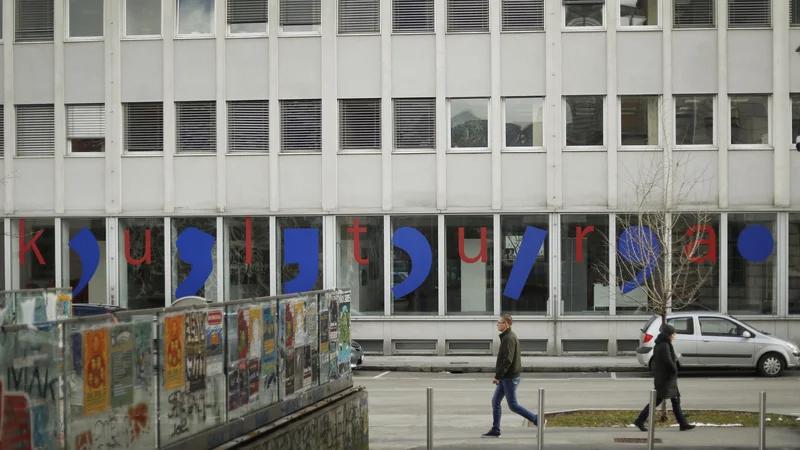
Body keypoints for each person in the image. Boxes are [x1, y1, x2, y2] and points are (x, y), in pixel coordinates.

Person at [482, 314, 545, 438]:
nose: (497, 324)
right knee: (495, 401)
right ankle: (496, 429)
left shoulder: (509, 338)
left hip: (509, 377)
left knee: (513, 405)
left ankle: (537, 420)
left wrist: (497, 376)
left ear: (506, 324)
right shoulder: (507, 336)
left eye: (499, 322)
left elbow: (507, 360)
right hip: (506, 377)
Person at [633, 323, 696, 432]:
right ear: (669, 334)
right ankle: (640, 420)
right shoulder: (664, 345)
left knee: (675, 400)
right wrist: (674, 369)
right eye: (674, 334)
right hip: (666, 379)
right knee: (657, 401)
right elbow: (667, 361)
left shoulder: (662, 343)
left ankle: (683, 424)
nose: (674, 336)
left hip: (666, 378)